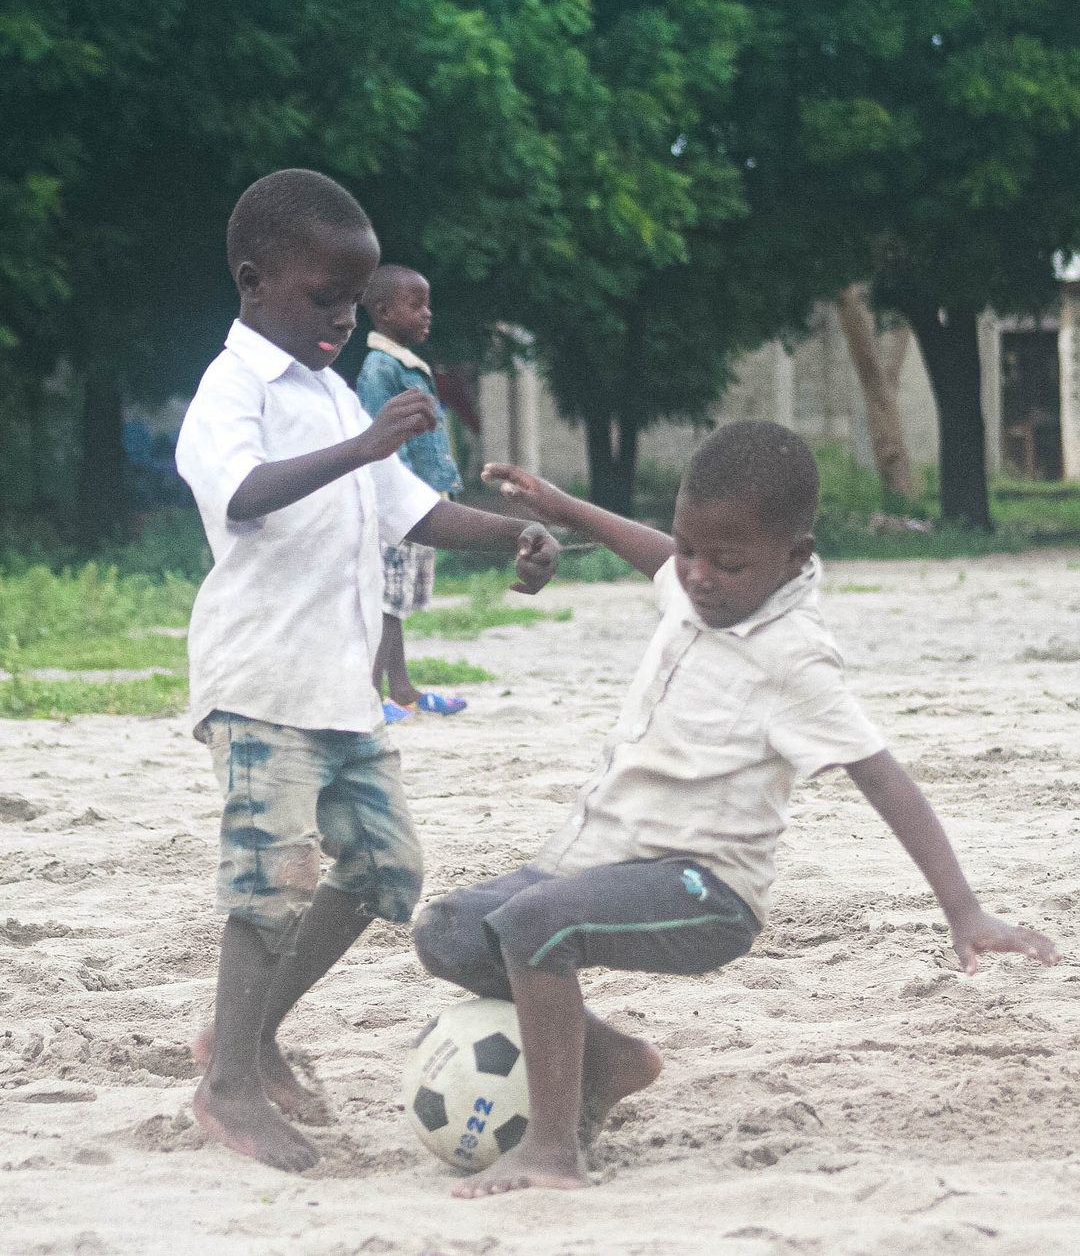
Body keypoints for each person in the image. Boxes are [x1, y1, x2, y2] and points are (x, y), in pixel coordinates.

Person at [413, 421, 1061, 1198]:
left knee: (534, 924)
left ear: (794, 556)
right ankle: (610, 1061)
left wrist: (965, 909)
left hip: (706, 891)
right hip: (614, 858)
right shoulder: (700, 588)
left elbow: (884, 778)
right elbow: (659, 557)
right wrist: (566, 506)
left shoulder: (794, 656)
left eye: (726, 561)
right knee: (449, 932)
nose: (697, 575)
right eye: (690, 547)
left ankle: (553, 1150)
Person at [174, 168, 559, 1174]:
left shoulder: (333, 392)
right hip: (260, 685)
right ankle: (229, 1087)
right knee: (270, 883)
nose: (342, 318)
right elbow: (241, 494)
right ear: (254, 282)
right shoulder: (233, 390)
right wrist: (362, 447)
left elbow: (411, 509)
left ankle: (246, 1037)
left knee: (387, 867)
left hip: (340, 691)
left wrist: (515, 530)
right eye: (323, 297)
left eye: (352, 299)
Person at [358, 265, 466, 723]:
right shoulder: (379, 369)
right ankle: (368, 696)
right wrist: (401, 499)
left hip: (420, 498)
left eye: (428, 304)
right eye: (416, 305)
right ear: (383, 312)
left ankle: (401, 689)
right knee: (385, 599)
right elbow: (380, 441)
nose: (427, 314)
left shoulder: (407, 365)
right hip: (396, 505)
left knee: (396, 601)